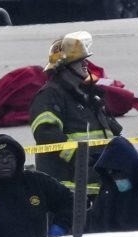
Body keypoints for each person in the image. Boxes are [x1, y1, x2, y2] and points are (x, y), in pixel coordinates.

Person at [29, 31, 121, 194]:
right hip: (69, 188)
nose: (86, 63)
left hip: (98, 183)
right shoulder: (50, 95)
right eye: (79, 61)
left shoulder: (88, 96)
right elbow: (46, 134)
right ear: (64, 66)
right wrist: (79, 158)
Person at [0, 134, 72, 237]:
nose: (5, 161)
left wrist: (59, 227)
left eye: (9, 156)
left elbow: (72, 201)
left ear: (18, 159)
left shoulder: (37, 182)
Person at [91, 136, 138, 232]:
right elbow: (97, 220)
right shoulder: (109, 188)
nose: (116, 179)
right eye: (111, 174)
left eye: (119, 173)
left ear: (130, 168)